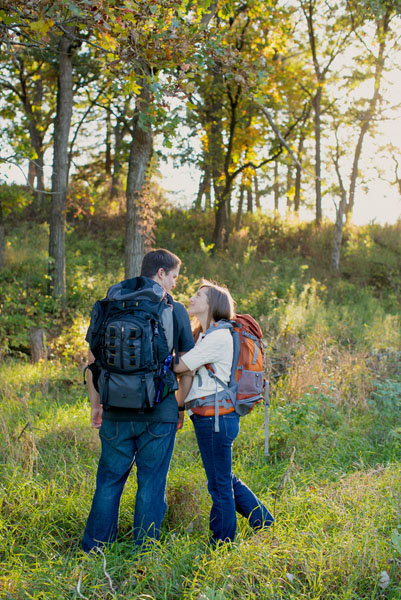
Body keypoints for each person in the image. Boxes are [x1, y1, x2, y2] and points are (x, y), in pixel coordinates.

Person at [82, 249, 194, 553]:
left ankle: (95, 546)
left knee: (109, 479)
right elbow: (186, 365)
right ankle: (144, 550)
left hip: (115, 408)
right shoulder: (175, 309)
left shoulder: (109, 306)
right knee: (152, 481)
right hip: (160, 410)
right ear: (160, 273)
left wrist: (96, 404)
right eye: (173, 276)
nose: (173, 284)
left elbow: (92, 363)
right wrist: (180, 405)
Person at [174, 280, 274, 546]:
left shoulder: (218, 336)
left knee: (219, 485)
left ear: (213, 304)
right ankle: (263, 522)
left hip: (215, 419)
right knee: (224, 478)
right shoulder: (210, 334)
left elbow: (181, 366)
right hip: (217, 417)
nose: (192, 298)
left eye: (199, 294)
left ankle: (223, 543)